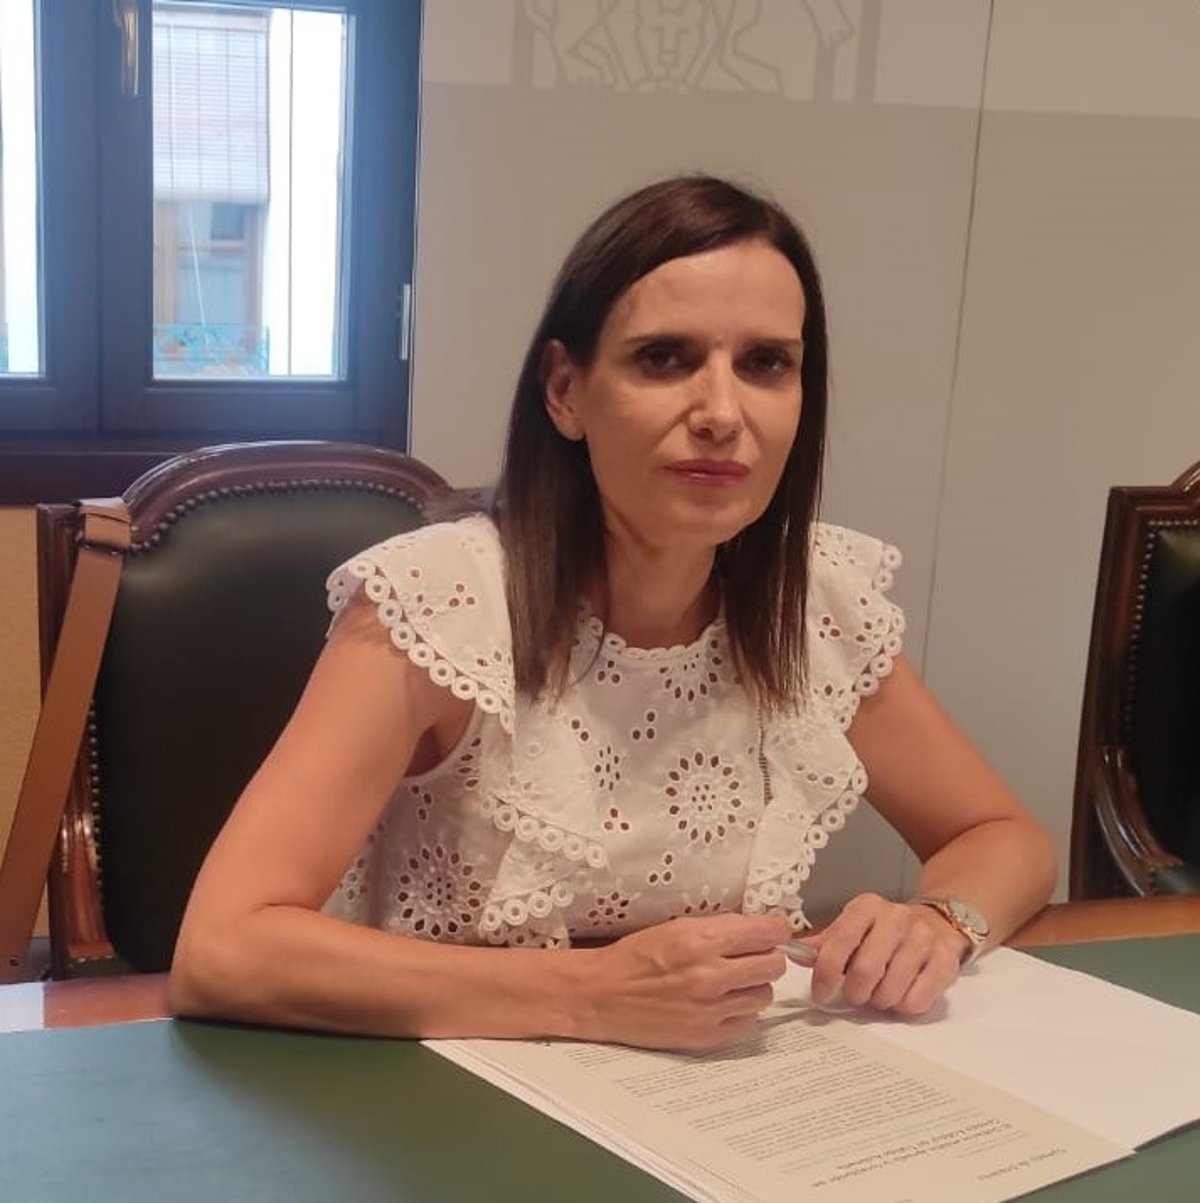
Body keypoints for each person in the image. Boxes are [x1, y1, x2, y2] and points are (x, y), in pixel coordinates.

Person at [170, 175, 1056, 1051]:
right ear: (565, 390)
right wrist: (590, 994)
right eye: (664, 358)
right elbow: (222, 948)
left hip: (709, 1094)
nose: (722, 413)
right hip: (442, 1081)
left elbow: (1003, 837)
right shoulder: (437, 604)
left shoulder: (813, 598)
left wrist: (940, 920)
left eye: (765, 364)